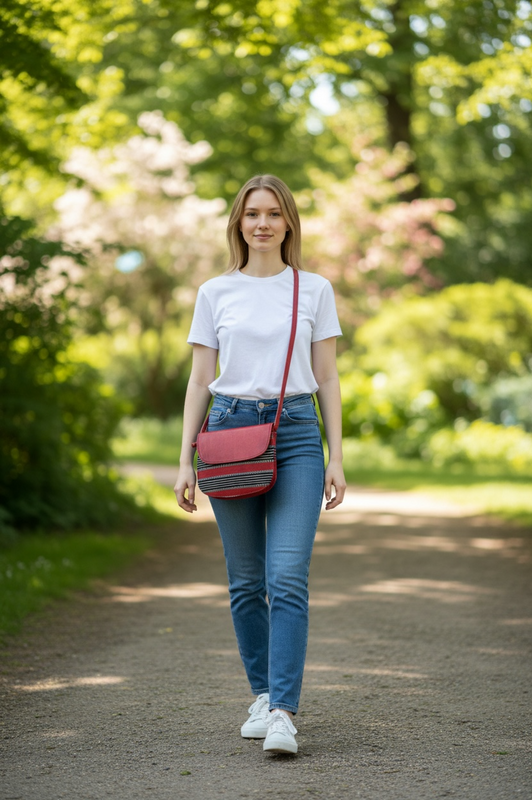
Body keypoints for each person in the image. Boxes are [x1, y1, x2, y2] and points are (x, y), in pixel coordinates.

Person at [174, 174, 346, 755]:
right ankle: (261, 692)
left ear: (289, 222)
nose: (263, 223)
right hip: (227, 431)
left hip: (296, 432)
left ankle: (281, 713)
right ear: (239, 223)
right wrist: (184, 461)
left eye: (274, 213)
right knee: (246, 581)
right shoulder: (214, 292)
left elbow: (326, 377)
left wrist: (337, 457)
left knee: (286, 577)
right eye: (253, 214)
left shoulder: (314, 289)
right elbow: (200, 379)